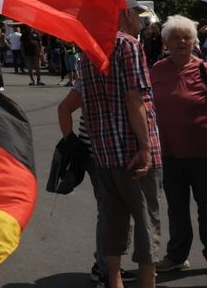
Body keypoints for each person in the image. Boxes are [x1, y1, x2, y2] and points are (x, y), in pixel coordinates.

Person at [75, 0, 162, 288]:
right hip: (132, 150)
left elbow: (84, 103)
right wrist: (146, 148)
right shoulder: (128, 45)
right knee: (146, 220)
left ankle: (113, 281)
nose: (141, 20)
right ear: (125, 14)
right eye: (138, 14)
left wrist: (99, 143)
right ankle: (147, 283)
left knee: (114, 221)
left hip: (104, 152)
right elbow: (134, 97)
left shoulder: (87, 48)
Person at [151, 15, 207, 278]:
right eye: (176, 37)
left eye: (187, 37)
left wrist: (198, 126)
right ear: (165, 43)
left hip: (205, 150)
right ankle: (177, 256)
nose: (182, 41)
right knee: (177, 207)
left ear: (194, 41)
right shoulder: (156, 71)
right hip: (169, 152)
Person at [57, 88, 136, 286]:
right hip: (97, 157)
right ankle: (104, 270)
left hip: (123, 155)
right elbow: (64, 108)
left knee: (119, 212)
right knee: (109, 212)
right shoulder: (87, 79)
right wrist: (71, 145)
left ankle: (107, 265)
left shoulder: (125, 74)